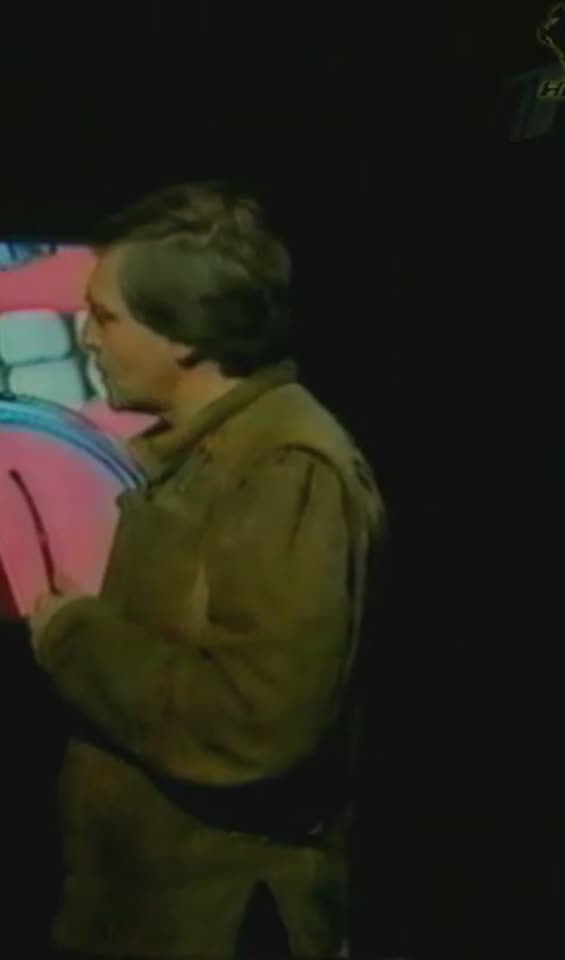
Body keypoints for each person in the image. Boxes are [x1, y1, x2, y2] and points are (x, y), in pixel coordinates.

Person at [28, 181, 387, 959]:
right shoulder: (212, 455)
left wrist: (73, 637)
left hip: (218, 929)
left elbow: (253, 722)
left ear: (184, 335)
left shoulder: (285, 468)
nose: (87, 338)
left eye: (106, 318)